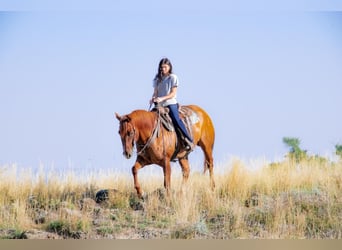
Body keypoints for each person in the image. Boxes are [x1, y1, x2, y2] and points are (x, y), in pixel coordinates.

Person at [150, 58, 194, 151]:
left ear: (169, 67)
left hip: (170, 103)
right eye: (161, 67)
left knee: (176, 120)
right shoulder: (157, 79)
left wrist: (162, 98)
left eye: (165, 67)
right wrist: (153, 98)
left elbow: (173, 93)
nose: (163, 69)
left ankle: (188, 140)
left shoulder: (173, 77)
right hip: (159, 105)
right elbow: (155, 92)